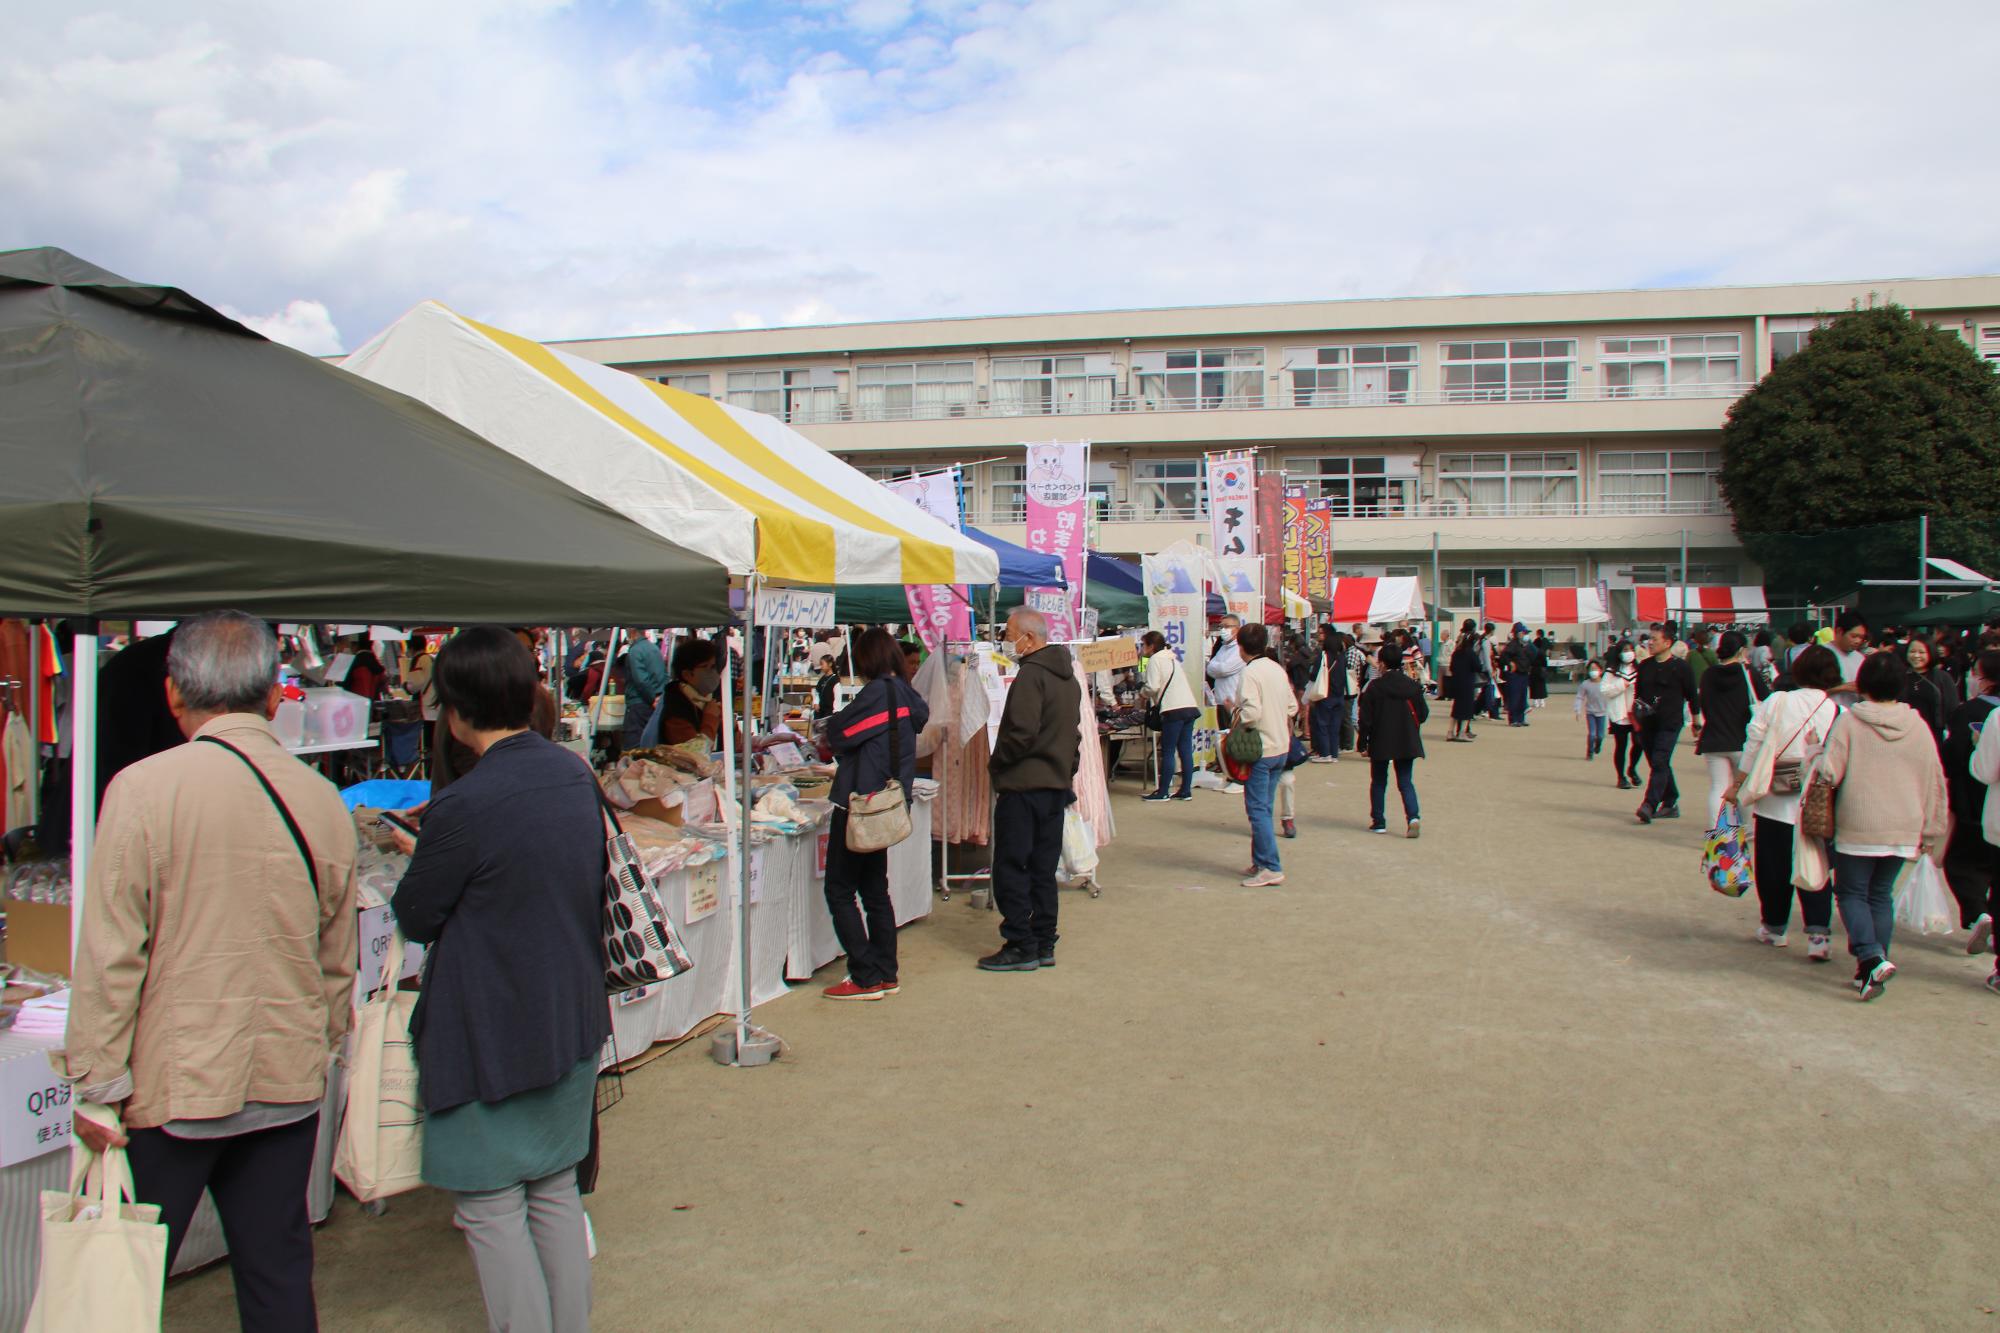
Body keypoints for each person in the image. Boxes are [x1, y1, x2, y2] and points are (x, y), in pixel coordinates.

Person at [65, 611, 359, 1331]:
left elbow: (112, 952)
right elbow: (336, 957)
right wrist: (315, 1044)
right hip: (282, 1077)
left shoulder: (141, 789)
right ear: (270, 696)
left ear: (174, 694)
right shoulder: (319, 797)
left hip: (176, 1083)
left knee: (123, 1276)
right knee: (278, 1271)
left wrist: (97, 1081)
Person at [388, 626, 605, 1330]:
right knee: (552, 1189)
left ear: (454, 709)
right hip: (566, 1012)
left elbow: (418, 913)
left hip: (489, 1026)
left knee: (489, 1203)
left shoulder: (465, 804)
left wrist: (421, 847)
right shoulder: (572, 771)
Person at [1818, 651, 1950, 1001]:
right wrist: (1932, 828)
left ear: (1862, 684)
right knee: (1879, 895)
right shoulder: (1918, 725)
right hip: (1905, 824)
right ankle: (1871, 969)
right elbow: (1935, 779)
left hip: (1859, 822)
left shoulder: (1849, 722)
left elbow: (1829, 772)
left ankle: (1871, 955)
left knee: (1850, 893)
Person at [820, 628, 929, 1000]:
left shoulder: (877, 694)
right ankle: (885, 972)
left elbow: (839, 734)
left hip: (862, 804)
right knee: (874, 891)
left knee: (839, 889)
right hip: (887, 802)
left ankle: (865, 975)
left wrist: (832, 723)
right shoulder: (906, 694)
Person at [1726, 645, 1842, 959]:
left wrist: (1738, 782)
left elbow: (1754, 740)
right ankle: (1818, 935)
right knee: (1815, 864)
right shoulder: (1837, 710)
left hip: (1776, 794)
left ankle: (1775, 926)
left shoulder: (1779, 701)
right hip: (1816, 796)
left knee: (1773, 865)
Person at [981, 609, 1082, 971]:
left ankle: (1021, 943)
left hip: (1024, 787)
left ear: (1029, 636)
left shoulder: (1031, 676)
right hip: (1053, 786)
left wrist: (998, 765)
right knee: (1042, 868)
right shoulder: (1068, 679)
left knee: (1012, 865)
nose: (1007, 641)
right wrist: (1064, 771)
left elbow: (1020, 733)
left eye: (1009, 634)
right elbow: (1075, 734)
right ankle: (1042, 941)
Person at [1942, 650, 2000, 971]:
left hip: (1978, 806)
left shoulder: (1976, 714)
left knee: (1962, 863)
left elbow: (1979, 768)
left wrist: (1979, 746)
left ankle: (1980, 913)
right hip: (1985, 810)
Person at [1232, 622, 1297, 886]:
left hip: (1260, 748)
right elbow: (1292, 706)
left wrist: (1236, 714)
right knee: (1265, 807)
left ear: (1241, 647)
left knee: (1257, 809)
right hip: (1280, 747)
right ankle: (1261, 860)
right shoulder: (1276, 669)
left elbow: (1252, 713)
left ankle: (1271, 865)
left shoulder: (1251, 673)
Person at [1695, 631, 1768, 829]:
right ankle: (1747, 828)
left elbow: (1703, 704)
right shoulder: (1748, 673)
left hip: (1713, 739)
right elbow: (1767, 699)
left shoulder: (1708, 675)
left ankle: (1716, 829)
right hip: (1742, 739)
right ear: (1742, 650)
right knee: (1743, 786)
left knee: (1717, 787)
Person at [1358, 642, 1427, 837]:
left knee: (1379, 781)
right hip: (1407, 739)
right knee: (1405, 781)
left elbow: (1366, 720)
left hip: (1381, 740)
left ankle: (1379, 821)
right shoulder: (1412, 686)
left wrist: (1362, 742)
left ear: (1382, 664)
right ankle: (1413, 817)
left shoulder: (1374, 688)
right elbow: (1422, 714)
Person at [1634, 622, 1700, 823]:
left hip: (1670, 723)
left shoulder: (1681, 668)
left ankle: (1649, 804)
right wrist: (1635, 720)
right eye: (1649, 639)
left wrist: (1697, 723)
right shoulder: (1645, 666)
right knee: (1657, 762)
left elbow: (1692, 697)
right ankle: (1671, 801)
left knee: (1660, 760)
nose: (1650, 643)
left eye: (1655, 639)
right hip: (1647, 723)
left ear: (1668, 642)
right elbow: (1638, 695)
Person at [1140, 630, 1201, 802]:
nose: (1142, 648)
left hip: (1173, 709)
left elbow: (1152, 686)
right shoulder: (1171, 658)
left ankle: (1163, 791)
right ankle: (1185, 790)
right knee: (1185, 750)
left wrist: (1142, 691)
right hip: (1189, 706)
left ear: (1151, 646)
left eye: (1144, 645)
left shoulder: (1155, 660)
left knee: (1168, 751)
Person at [644, 637, 723, 748]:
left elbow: (736, 746)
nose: (712, 672)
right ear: (687, 674)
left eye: (713, 666)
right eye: (705, 667)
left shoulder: (709, 701)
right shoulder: (676, 709)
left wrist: (731, 726)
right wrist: (710, 718)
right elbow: (696, 753)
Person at [1602, 640, 1643, 789]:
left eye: (1631, 649)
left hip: (1636, 713)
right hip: (1619, 713)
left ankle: (1632, 768)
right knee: (1621, 746)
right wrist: (1622, 685)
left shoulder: (1639, 669)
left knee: (1639, 743)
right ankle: (1621, 777)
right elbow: (1604, 690)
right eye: (1625, 650)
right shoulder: (1612, 671)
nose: (1629, 653)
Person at [1899, 635, 1949, 745]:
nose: (1916, 655)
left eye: (1921, 652)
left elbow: (1952, 707)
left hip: (1932, 735)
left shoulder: (1942, 677)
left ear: (1930, 653)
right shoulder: (1900, 676)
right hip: (1903, 734)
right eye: (1912, 651)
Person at [1308, 624, 1343, 761]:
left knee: (1322, 724)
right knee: (1335, 726)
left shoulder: (1323, 657)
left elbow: (1314, 675)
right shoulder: (1341, 657)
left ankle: (1324, 753)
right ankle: (1334, 754)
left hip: (1325, 695)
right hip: (1339, 695)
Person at [1206, 614, 1244, 727]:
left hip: (1234, 703)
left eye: (1227, 626)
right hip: (1220, 702)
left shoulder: (1239, 648)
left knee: (1234, 736)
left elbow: (1224, 669)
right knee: (1223, 737)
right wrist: (1217, 668)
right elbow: (1210, 668)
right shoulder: (1222, 648)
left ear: (1237, 629)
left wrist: (1216, 668)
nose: (1223, 630)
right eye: (1221, 626)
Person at [1829, 609, 1869, 694]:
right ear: (1839, 631)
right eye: (1854, 636)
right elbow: (1810, 694)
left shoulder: (1860, 658)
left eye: (1861, 637)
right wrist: (1841, 688)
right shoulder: (1820, 654)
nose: (1858, 641)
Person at [1574, 659, 1608, 759]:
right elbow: (1580, 697)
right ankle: (1590, 752)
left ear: (1601, 671)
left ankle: (1598, 745)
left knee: (1600, 735)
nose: (1593, 671)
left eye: (1595, 669)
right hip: (1590, 712)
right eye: (1591, 669)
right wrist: (1577, 709)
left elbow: (1611, 696)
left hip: (1602, 713)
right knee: (1592, 734)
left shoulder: (1605, 683)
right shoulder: (1585, 684)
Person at [1500, 626, 1532, 726]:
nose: (1526, 635)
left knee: (1522, 697)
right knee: (1514, 697)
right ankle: (1513, 719)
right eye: (1524, 633)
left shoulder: (1525, 645)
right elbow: (1504, 656)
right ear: (1519, 634)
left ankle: (1521, 718)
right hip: (1515, 675)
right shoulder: (1513, 645)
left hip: (1524, 673)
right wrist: (1510, 663)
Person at [813, 650, 840, 720]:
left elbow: (837, 698)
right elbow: (817, 692)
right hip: (820, 713)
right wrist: (816, 703)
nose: (821, 666)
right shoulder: (822, 678)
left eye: (822, 664)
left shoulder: (835, 680)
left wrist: (835, 712)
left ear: (830, 664)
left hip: (829, 713)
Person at [1528, 629, 1550, 709]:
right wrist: (1545, 667)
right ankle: (1542, 701)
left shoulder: (1533, 650)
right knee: (1542, 685)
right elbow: (1545, 662)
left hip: (1534, 669)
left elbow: (1530, 660)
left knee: (1534, 686)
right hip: (1541, 669)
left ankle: (1536, 702)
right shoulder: (1543, 650)